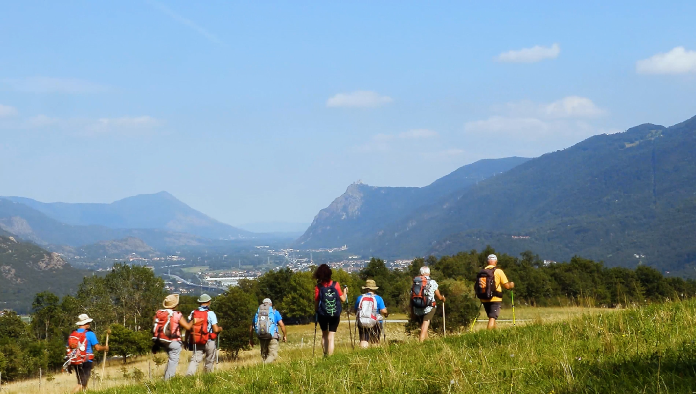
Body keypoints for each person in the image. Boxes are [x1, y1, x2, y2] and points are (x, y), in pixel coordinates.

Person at [153, 294, 193, 380]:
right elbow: (188, 327)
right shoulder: (177, 314)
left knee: (171, 359)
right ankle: (168, 381)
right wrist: (195, 319)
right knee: (173, 360)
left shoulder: (159, 313)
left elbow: (155, 327)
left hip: (162, 340)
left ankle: (166, 378)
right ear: (175, 305)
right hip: (173, 341)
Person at [69, 314, 109, 393]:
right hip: (86, 361)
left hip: (75, 361)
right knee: (82, 383)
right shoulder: (90, 334)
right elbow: (97, 348)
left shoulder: (73, 334)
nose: (89, 324)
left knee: (83, 382)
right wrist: (105, 347)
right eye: (88, 323)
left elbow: (69, 349)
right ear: (86, 324)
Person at [314, 263, 347, 356]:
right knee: (331, 336)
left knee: (324, 334)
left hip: (322, 314)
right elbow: (343, 299)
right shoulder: (336, 285)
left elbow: (316, 302)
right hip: (335, 314)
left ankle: (325, 354)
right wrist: (345, 292)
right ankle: (330, 356)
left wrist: (316, 311)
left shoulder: (318, 287)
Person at [186, 294, 223, 375]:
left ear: (199, 302)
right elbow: (215, 329)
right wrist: (220, 328)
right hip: (209, 340)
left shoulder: (193, 313)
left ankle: (189, 375)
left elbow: (188, 328)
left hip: (197, 339)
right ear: (208, 302)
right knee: (209, 360)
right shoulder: (211, 313)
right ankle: (207, 376)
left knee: (195, 359)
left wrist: (186, 340)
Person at [411, 266, 445, 342]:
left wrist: (412, 310)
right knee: (425, 324)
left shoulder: (415, 283)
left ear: (421, 273)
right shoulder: (432, 282)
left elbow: (412, 296)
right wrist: (443, 298)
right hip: (429, 306)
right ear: (429, 273)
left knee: (423, 325)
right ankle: (421, 342)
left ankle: (427, 343)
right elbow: (439, 297)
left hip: (417, 307)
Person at [480, 254, 514, 330]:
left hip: (484, 298)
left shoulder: (482, 271)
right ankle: (487, 336)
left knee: (492, 317)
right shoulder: (498, 271)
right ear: (496, 262)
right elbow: (507, 286)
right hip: (495, 298)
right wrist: (511, 285)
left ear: (487, 262)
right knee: (492, 317)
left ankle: (494, 334)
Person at [249, 298, 287, 363]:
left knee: (264, 355)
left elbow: (251, 326)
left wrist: (251, 338)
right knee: (273, 355)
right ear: (271, 304)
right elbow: (282, 325)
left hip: (261, 336)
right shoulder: (275, 312)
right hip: (272, 336)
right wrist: (284, 335)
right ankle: (264, 365)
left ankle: (264, 370)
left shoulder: (258, 313)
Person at [353, 279, 388, 348]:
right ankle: (374, 356)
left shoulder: (360, 298)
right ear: (374, 289)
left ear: (366, 289)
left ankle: (362, 355)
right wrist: (386, 314)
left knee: (363, 340)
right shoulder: (378, 298)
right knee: (375, 340)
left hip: (362, 321)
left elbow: (355, 310)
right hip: (376, 322)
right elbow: (384, 311)